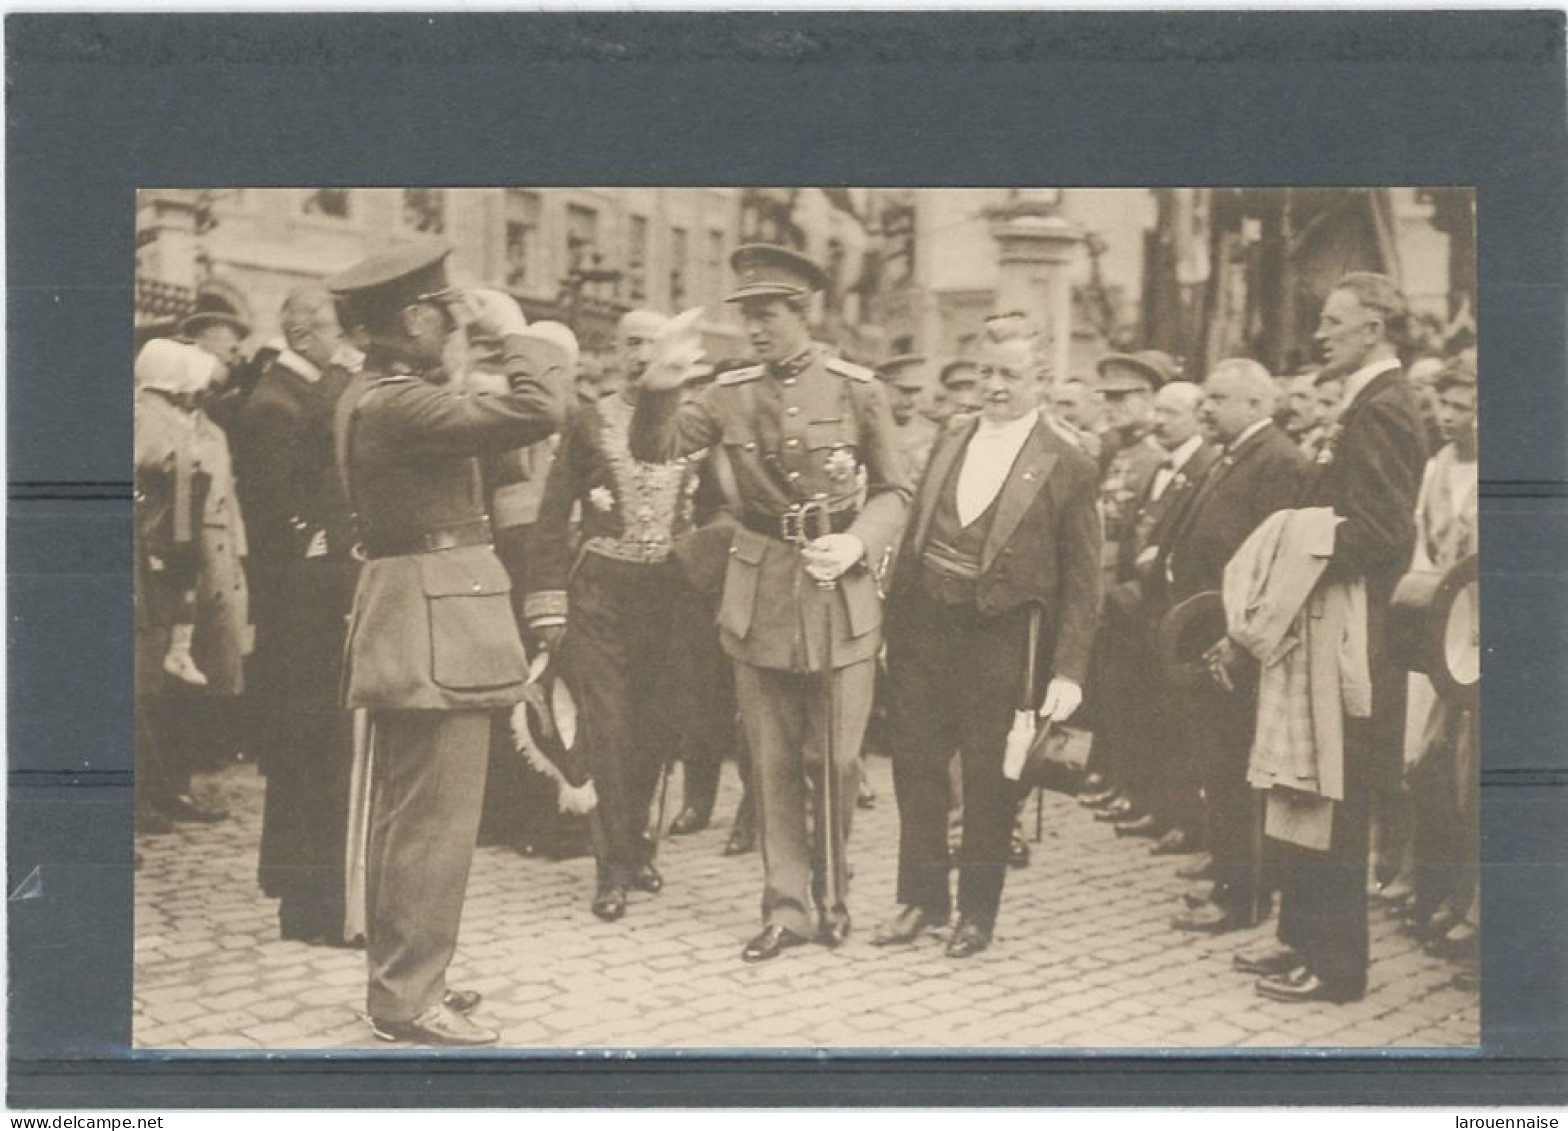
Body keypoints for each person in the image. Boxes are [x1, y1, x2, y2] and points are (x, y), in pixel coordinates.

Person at [629, 244, 911, 963]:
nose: (755, 329)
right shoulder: (727, 392)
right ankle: (787, 907)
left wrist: (857, 544)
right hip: (760, 589)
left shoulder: (857, 389)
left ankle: (834, 891)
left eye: (769, 315)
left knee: (838, 760)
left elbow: (894, 489)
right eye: (748, 315)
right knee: (773, 760)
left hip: (837, 587)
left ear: (803, 313)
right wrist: (659, 386)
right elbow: (655, 450)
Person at [328, 245, 569, 1045]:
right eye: (445, 311)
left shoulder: (379, 395)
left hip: (420, 616)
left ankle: (407, 979)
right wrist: (514, 332)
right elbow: (537, 411)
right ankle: (406, 997)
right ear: (411, 319)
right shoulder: (399, 403)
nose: (453, 324)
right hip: (437, 623)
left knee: (410, 817)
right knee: (433, 822)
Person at [872, 334, 1100, 958]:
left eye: (1010, 374)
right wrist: (893, 625)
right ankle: (920, 899)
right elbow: (918, 524)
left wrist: (1069, 670)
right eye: (985, 372)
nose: (994, 385)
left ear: (1042, 382)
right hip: (924, 629)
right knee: (917, 768)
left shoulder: (1067, 461)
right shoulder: (952, 434)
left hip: (1001, 641)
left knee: (989, 779)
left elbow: (1084, 579)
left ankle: (976, 913)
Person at [1243, 272, 1427, 1003]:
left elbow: (1382, 533)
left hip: (1355, 633)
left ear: (1374, 327)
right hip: (1331, 624)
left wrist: (1294, 535)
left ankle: (1337, 967)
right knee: (1310, 787)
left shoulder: (1383, 407)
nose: (1319, 333)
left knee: (1338, 800)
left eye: (1332, 321)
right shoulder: (1368, 401)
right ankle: (1307, 944)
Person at [525, 308, 708, 922]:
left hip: (672, 596)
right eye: (630, 345)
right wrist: (548, 602)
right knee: (608, 727)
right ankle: (609, 865)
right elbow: (552, 516)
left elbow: (720, 508)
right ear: (614, 351)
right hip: (601, 592)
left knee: (658, 727)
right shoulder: (588, 420)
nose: (640, 357)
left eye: (652, 346)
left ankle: (640, 848)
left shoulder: (696, 420)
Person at [231, 285, 363, 946]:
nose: (344, 342)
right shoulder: (274, 404)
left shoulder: (301, 389)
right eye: (337, 331)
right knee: (310, 750)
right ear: (308, 335)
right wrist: (333, 545)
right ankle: (311, 906)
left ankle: (314, 896)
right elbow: (280, 519)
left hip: (315, 600)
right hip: (300, 606)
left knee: (319, 748)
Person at [1160, 358, 1306, 935]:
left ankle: (1242, 897)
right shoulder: (1238, 452)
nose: (1207, 408)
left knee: (1237, 768)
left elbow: (1273, 562)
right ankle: (1230, 877)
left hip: (1239, 642)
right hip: (1213, 634)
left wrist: (1239, 638)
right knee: (1220, 764)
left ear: (1256, 402)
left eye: (1218, 398)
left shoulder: (1279, 462)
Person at [1090, 381, 1218, 852]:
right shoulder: (1163, 465)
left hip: (1174, 609)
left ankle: (1181, 815)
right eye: (1158, 411)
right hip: (1140, 607)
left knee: (1176, 718)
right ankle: (1153, 803)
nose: (1160, 420)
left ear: (1196, 416)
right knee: (1145, 710)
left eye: (1172, 412)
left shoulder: (1203, 465)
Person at [134, 339, 240, 832]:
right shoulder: (146, 416)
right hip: (154, 559)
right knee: (145, 684)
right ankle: (145, 795)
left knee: (166, 685)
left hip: (177, 557)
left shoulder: (171, 417)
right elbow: (153, 465)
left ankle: (165, 787)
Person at [878, 354, 938, 478]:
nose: (912, 399)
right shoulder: (871, 428)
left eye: (917, 391)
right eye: (905, 391)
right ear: (882, 386)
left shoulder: (933, 433)